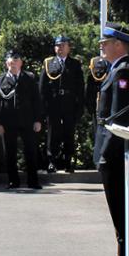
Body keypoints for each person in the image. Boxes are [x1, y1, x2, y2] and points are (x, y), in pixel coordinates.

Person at [91, 26, 129, 256]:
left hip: (115, 152)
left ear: (119, 45)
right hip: (111, 150)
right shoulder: (116, 70)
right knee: (117, 208)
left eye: (106, 42)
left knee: (120, 207)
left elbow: (118, 119)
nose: (102, 46)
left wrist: (106, 152)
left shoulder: (124, 72)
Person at [0, 50, 44, 190]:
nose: (13, 64)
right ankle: (13, 181)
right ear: (6, 63)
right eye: (10, 61)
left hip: (27, 121)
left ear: (21, 63)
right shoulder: (0, 79)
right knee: (10, 153)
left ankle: (33, 181)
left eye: (16, 61)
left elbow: (37, 101)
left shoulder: (29, 77)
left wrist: (38, 120)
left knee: (31, 152)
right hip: (8, 123)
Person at [42, 37, 84, 173]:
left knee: (69, 133)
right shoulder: (49, 63)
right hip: (54, 103)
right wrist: (43, 107)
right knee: (53, 133)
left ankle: (68, 161)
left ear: (68, 47)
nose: (60, 48)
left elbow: (80, 88)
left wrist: (79, 107)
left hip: (69, 103)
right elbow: (42, 88)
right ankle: (51, 161)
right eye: (57, 45)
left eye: (63, 45)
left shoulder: (75, 64)